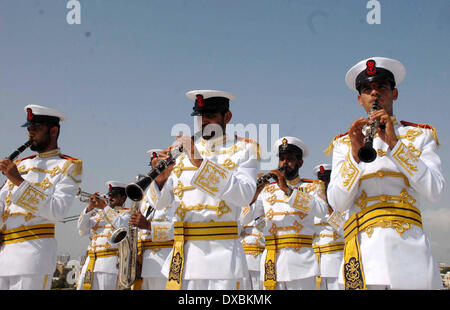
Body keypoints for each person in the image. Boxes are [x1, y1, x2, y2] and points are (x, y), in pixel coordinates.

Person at [326, 57, 444, 290]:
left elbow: (435, 191)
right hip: (363, 255)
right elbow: (338, 202)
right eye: (367, 90)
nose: (375, 94)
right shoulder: (344, 143)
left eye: (382, 87)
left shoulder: (420, 136)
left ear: (395, 94)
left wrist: (395, 146)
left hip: (410, 254)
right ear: (360, 99)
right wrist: (355, 154)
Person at [147, 89, 259, 290]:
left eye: (210, 116)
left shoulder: (244, 150)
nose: (203, 122)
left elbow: (245, 195)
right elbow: (160, 204)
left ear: (227, 117)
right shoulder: (180, 153)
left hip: (222, 261)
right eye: (200, 117)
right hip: (182, 260)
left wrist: (199, 162)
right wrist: (161, 179)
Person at [0, 104, 82, 290]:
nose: (30, 134)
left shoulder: (69, 166)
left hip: (32, 258)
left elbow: (57, 211)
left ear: (53, 131)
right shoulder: (20, 164)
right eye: (29, 130)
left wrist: (19, 181)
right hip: (4, 256)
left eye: (36, 129)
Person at [251, 136, 328, 290]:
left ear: (300, 163)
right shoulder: (267, 189)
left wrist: (287, 190)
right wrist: (255, 192)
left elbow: (321, 210)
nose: (284, 163)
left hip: (301, 263)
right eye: (281, 159)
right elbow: (247, 216)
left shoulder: (313, 187)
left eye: (290, 159)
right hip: (271, 262)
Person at [129, 148, 174, 290]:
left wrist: (149, 226)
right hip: (142, 265)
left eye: (159, 166)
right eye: (153, 167)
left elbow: (180, 228)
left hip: (164, 264)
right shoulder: (145, 196)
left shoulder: (178, 190)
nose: (155, 171)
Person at [76, 181, 130, 290]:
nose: (110, 198)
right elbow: (81, 230)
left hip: (109, 265)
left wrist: (104, 207)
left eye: (114, 195)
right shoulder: (98, 214)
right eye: (109, 195)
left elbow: (121, 225)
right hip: (90, 264)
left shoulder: (127, 214)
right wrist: (89, 208)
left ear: (123, 198)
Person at [311, 164, 344, 290]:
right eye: (321, 181)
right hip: (315, 261)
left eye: (327, 180)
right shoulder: (313, 203)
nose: (324, 184)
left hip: (335, 259)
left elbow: (346, 229)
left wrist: (331, 211)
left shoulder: (341, 202)